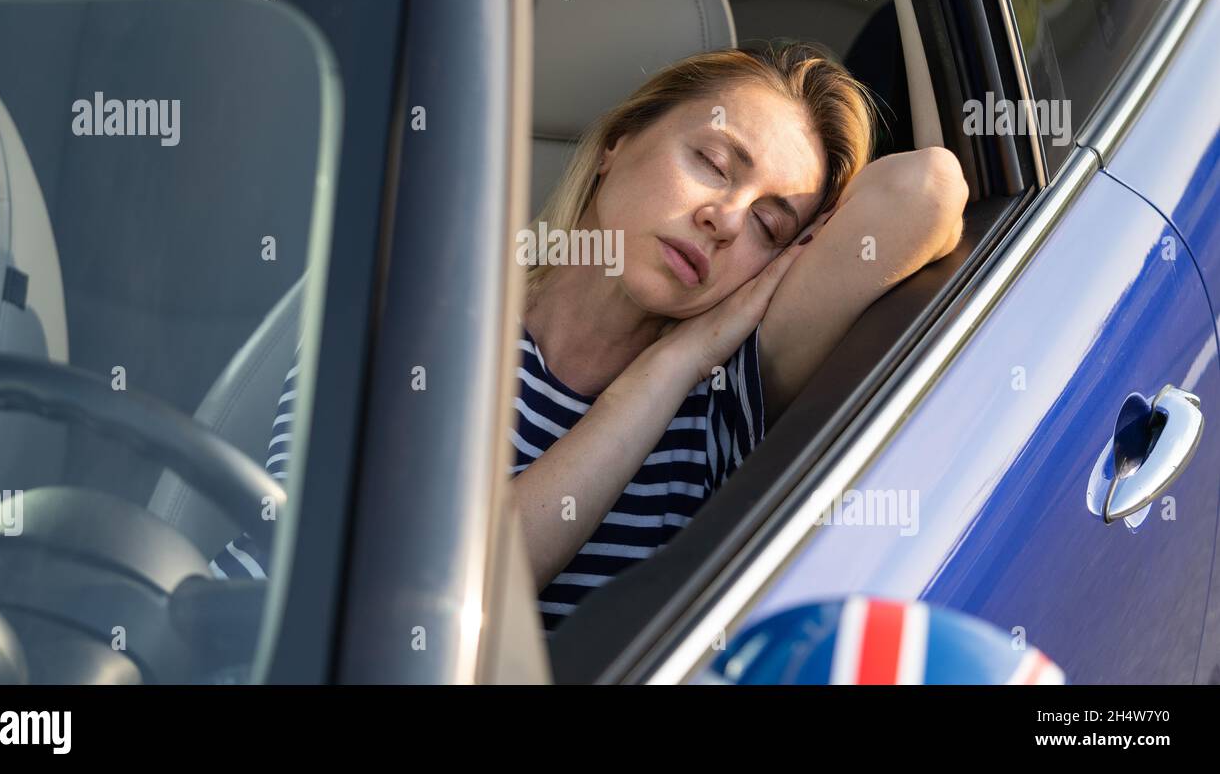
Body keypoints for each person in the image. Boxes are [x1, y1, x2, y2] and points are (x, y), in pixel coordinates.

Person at [211, 41, 969, 634]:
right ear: (619, 141)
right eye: (710, 161)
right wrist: (664, 368)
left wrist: (678, 365)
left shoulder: (720, 403)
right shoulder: (421, 303)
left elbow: (927, 190)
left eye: (770, 226)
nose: (727, 219)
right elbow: (377, 596)